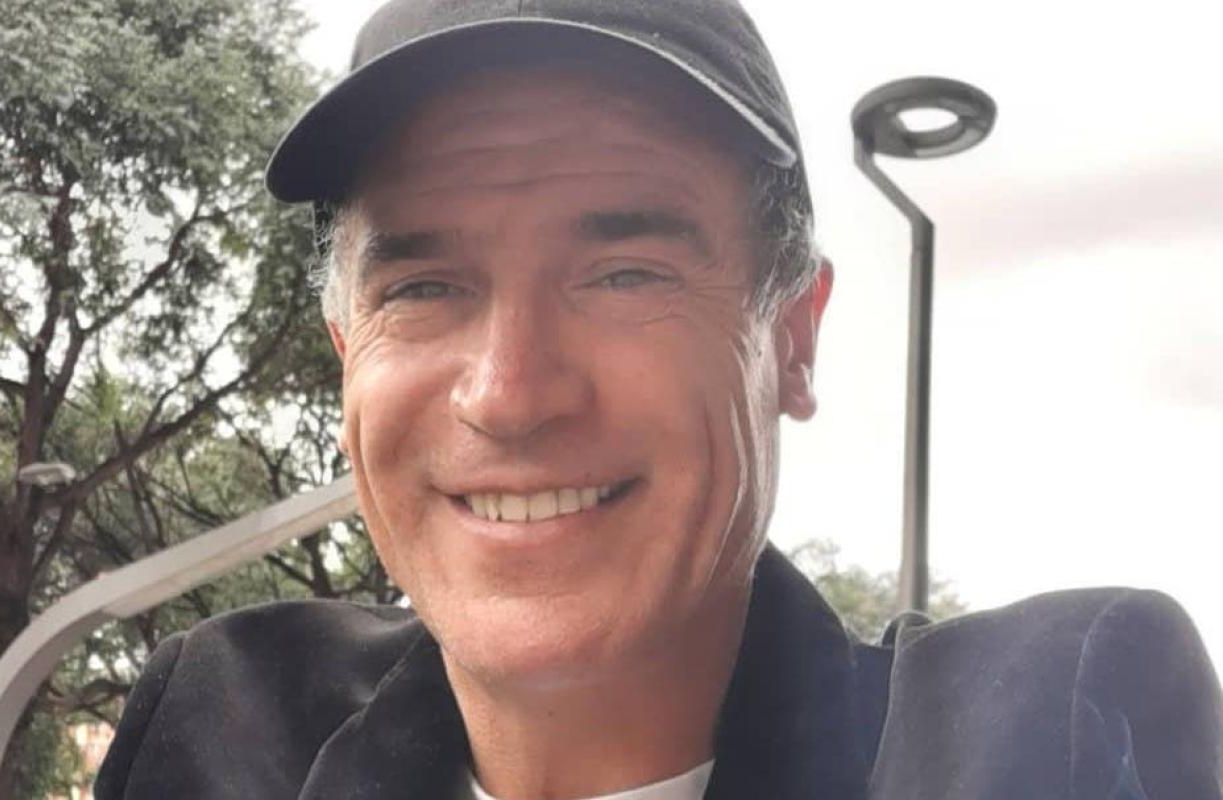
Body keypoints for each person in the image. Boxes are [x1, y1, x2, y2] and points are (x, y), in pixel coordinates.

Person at [94, 2, 1223, 798]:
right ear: (350, 353)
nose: (510, 393)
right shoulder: (224, 732)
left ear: (790, 341)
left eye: (624, 274)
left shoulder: (1045, 734)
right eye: (424, 288)